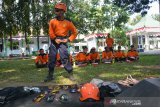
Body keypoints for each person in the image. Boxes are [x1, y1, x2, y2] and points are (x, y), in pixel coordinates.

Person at [44, 3, 78, 82]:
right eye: (56, 10)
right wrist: (55, 39)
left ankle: (70, 73)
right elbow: (51, 32)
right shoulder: (52, 21)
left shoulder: (68, 22)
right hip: (54, 40)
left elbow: (75, 32)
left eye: (58, 10)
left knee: (64, 57)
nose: (56, 12)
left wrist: (68, 39)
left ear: (63, 11)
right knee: (52, 57)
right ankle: (50, 75)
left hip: (63, 40)